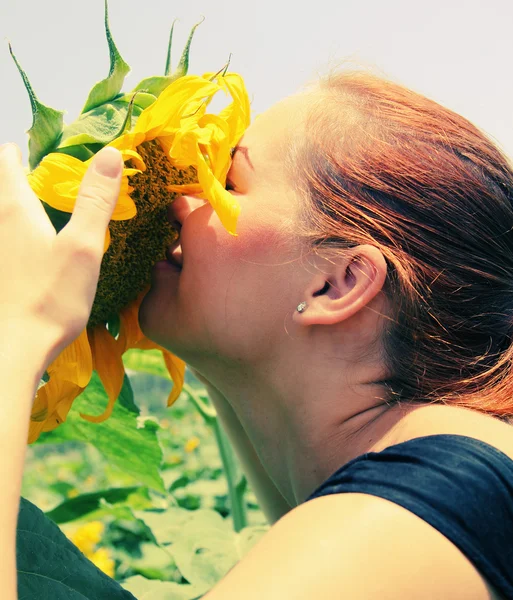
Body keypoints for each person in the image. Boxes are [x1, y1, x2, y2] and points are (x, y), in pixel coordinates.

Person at [3, 70, 513, 600]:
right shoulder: (446, 481)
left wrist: (18, 335)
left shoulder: (409, 517)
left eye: (224, 184)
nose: (177, 200)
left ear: (337, 284)